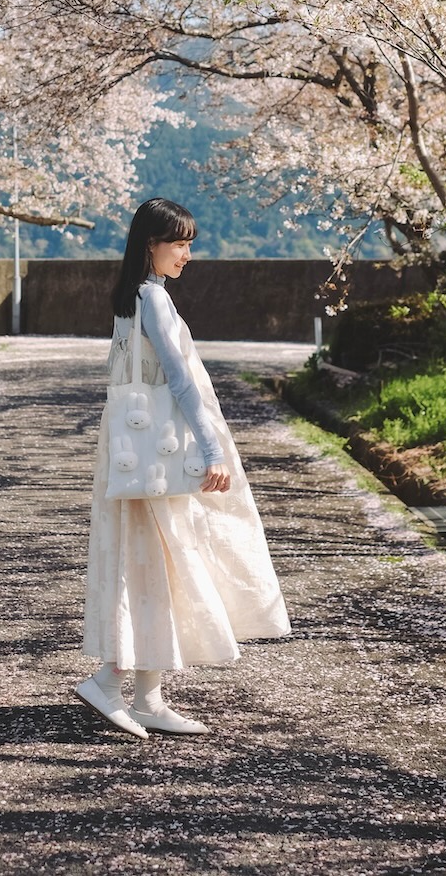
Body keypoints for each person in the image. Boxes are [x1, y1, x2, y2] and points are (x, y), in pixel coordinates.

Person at [77, 197, 290, 738]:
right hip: (158, 459)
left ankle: (145, 694)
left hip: (133, 457)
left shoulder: (130, 299)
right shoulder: (155, 300)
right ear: (152, 244)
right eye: (179, 243)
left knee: (147, 565)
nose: (187, 255)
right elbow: (179, 380)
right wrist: (213, 451)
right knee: (158, 564)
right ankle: (110, 681)